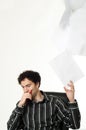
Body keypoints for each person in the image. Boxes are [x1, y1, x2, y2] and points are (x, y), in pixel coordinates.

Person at [7, 70, 81, 130]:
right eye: (23, 87)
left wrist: (71, 100)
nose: (25, 90)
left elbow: (74, 125)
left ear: (37, 84)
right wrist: (20, 106)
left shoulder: (55, 102)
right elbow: (10, 128)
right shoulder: (22, 104)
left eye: (28, 86)